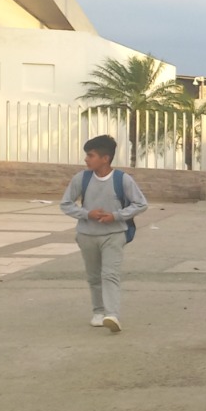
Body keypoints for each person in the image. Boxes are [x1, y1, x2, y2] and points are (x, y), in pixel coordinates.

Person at [59, 134, 148, 333]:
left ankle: (112, 315)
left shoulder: (122, 179)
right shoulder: (81, 178)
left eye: (90, 155)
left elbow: (141, 204)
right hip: (86, 235)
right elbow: (65, 204)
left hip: (114, 235)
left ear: (105, 158)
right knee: (93, 276)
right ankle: (98, 312)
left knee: (110, 274)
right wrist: (86, 214)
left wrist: (116, 216)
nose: (86, 159)